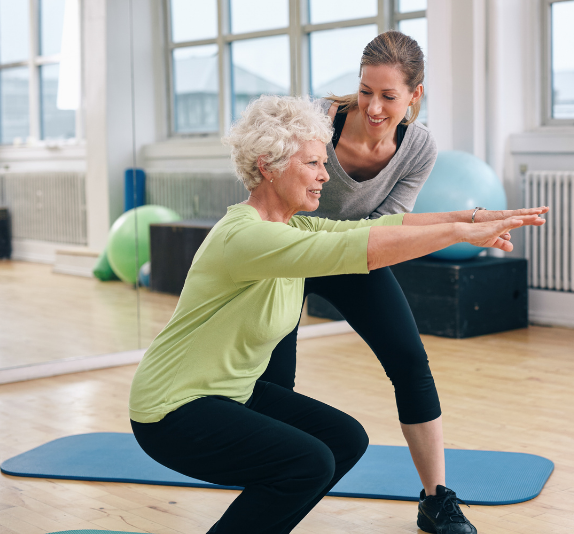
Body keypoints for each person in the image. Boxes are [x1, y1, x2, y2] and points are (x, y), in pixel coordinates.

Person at [128, 95, 547, 534]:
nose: (326, 175)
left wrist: (475, 216)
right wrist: (459, 234)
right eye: (313, 163)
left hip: (229, 392)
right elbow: (358, 249)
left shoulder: (292, 225)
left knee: (344, 440)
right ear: (268, 165)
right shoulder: (245, 237)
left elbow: (378, 228)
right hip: (172, 409)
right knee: (307, 462)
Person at [259, 30, 516, 533]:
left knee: (410, 361)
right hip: (290, 253)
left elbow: (388, 227)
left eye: (389, 96)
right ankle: (272, 485)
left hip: (356, 255)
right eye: (365, 91)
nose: (374, 107)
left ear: (415, 96)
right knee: (275, 382)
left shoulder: (417, 147)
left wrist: (461, 224)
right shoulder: (316, 124)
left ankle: (436, 499)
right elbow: (268, 195)